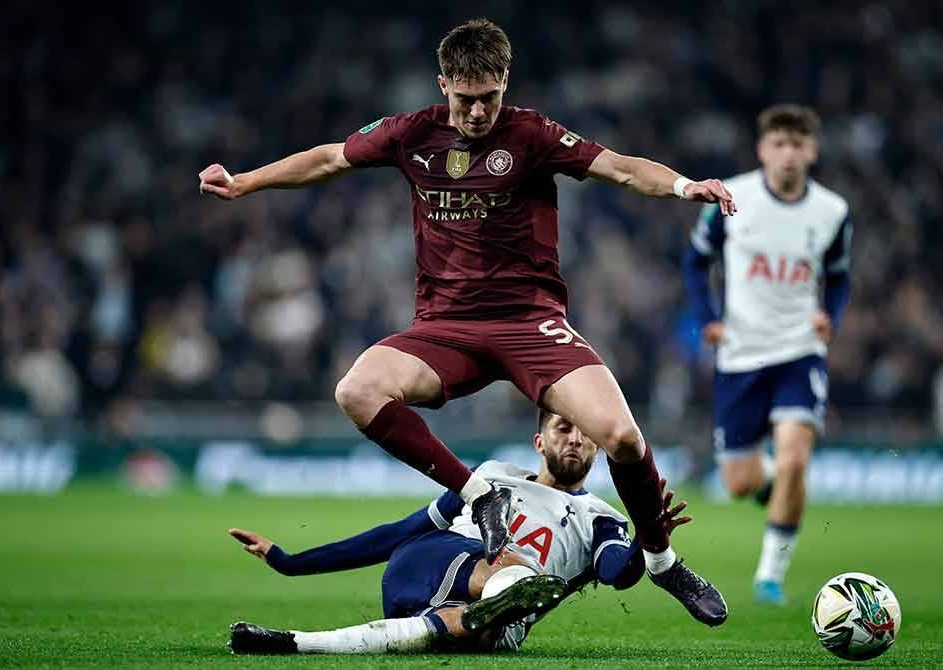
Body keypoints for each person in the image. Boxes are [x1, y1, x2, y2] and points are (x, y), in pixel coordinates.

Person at [199, 18, 735, 617]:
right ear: (443, 83)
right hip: (445, 329)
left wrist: (687, 187)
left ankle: (663, 562)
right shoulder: (410, 133)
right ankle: (477, 493)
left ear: (505, 82)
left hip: (529, 323)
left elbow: (623, 168)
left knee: (623, 438)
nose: (478, 113)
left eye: (489, 99)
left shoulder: (532, 134)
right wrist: (244, 182)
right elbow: (328, 159)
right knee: (356, 390)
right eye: (465, 99)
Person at [226, 410, 721, 655]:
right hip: (428, 563)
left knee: (466, 632)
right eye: (562, 428)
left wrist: (647, 537)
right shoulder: (492, 479)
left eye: (583, 433)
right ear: (539, 440)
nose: (574, 439)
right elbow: (398, 532)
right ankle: (509, 593)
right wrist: (292, 562)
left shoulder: (602, 517)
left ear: (596, 445)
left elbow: (616, 572)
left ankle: (295, 643)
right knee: (516, 566)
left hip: (480, 622)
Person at [682, 104, 852, 604]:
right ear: (763, 149)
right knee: (738, 482)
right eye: (779, 143)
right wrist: (707, 317)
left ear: (812, 151)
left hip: (800, 350)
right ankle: (781, 485)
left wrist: (831, 317)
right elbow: (695, 261)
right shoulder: (731, 199)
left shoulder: (832, 211)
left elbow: (839, 274)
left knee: (796, 457)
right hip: (740, 353)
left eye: (798, 144)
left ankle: (769, 577)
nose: (788, 154)